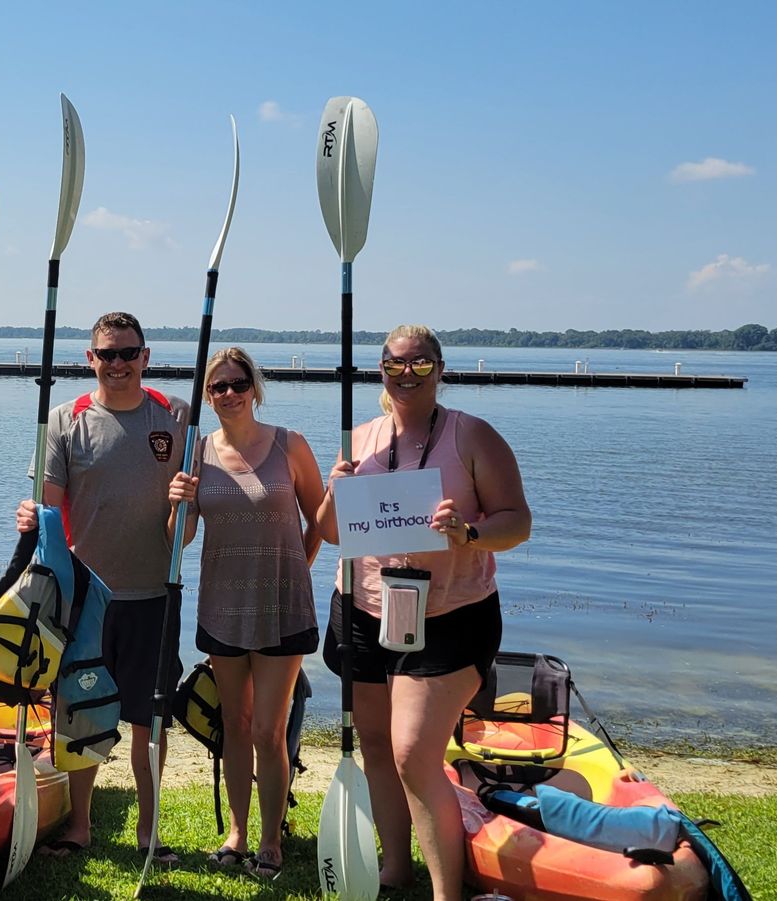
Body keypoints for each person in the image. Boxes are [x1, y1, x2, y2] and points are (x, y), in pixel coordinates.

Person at [318, 324, 532, 899]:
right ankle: (395, 868)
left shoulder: (472, 435)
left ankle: (446, 891)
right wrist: (334, 489)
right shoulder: (360, 438)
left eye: (418, 364)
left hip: (451, 615)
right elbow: (330, 531)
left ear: (440, 369)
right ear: (381, 371)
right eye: (394, 364)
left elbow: (517, 521)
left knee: (413, 753)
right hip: (363, 608)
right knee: (377, 744)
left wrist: (469, 532)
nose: (406, 374)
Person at [14, 311, 189, 863]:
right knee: (80, 715)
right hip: (85, 599)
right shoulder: (65, 420)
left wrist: (184, 508)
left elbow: (186, 528)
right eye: (107, 354)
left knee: (149, 722)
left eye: (128, 353)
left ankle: (148, 832)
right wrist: (31, 516)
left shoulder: (177, 415)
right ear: (90, 359)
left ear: (145, 357)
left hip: (155, 595)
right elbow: (48, 507)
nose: (118, 364)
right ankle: (80, 826)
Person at [166, 346, 326, 880]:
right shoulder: (197, 452)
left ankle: (270, 841)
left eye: (238, 384)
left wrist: (297, 568)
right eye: (218, 387)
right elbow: (179, 541)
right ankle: (237, 832)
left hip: (283, 608)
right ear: (207, 397)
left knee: (268, 730)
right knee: (234, 725)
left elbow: (320, 522)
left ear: (255, 388)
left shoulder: (289, 444)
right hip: (222, 607)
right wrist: (177, 502)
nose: (229, 393)